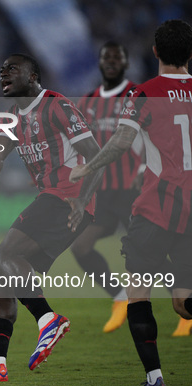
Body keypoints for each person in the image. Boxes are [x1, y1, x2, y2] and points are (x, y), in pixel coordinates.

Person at [70, 19, 192, 386]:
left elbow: (122, 142)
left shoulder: (143, 93)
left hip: (156, 209)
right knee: (184, 301)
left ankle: (155, 381)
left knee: (139, 292)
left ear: (154, 52)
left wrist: (87, 167)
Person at [0, 53, 103, 383]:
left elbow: (96, 155)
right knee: (2, 277)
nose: (3, 74)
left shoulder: (57, 105)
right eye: (1, 70)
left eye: (12, 69)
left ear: (33, 75)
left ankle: (48, 320)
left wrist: (82, 199)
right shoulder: (13, 115)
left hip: (68, 197)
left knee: (3, 255)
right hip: (54, 198)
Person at [72, 41, 141, 333]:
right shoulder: (86, 102)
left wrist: (143, 167)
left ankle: (183, 304)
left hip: (134, 189)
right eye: (107, 58)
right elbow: (76, 144)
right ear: (99, 63)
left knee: (149, 253)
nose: (112, 62)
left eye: (118, 57)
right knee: (81, 246)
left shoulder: (138, 95)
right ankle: (120, 297)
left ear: (126, 63)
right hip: (102, 192)